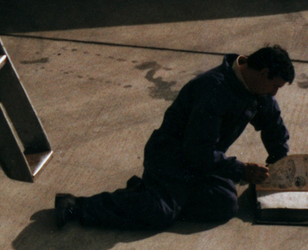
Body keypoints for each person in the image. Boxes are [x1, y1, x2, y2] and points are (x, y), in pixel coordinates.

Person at [55, 45, 295, 230]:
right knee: (160, 214)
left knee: (225, 205)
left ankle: (150, 194)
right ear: (263, 73)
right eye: (275, 86)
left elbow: (273, 124)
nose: (274, 93)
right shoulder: (214, 91)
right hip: (171, 158)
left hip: (200, 162)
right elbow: (198, 152)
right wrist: (241, 170)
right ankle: (77, 206)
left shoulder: (255, 88)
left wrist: (278, 160)